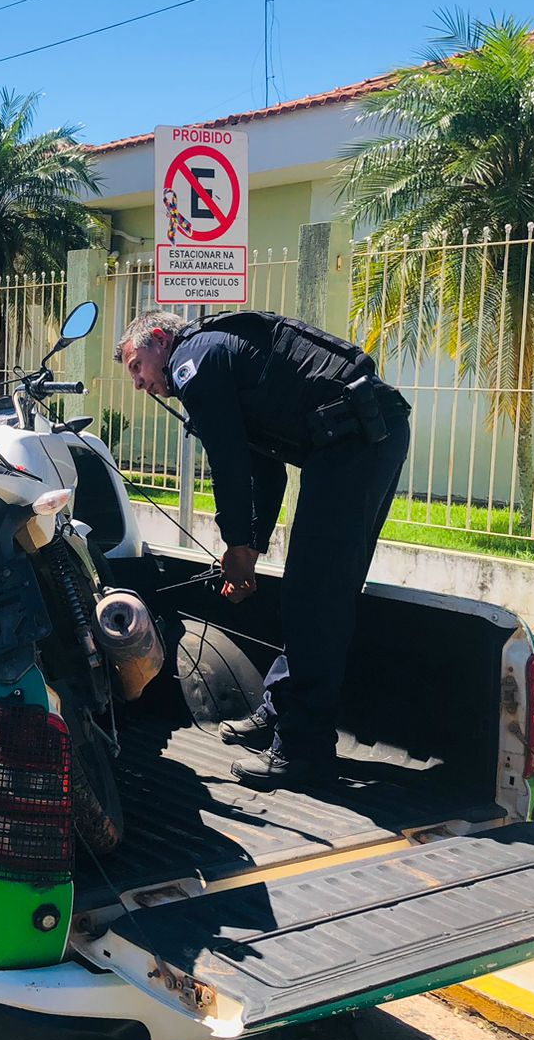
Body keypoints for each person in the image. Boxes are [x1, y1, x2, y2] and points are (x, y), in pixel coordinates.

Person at [116, 309, 410, 792]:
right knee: (309, 589)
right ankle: (281, 708)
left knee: (316, 593)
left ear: (162, 340)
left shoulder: (194, 360)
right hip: (354, 437)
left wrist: (236, 545)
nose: (138, 383)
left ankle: (304, 750)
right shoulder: (214, 355)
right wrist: (249, 547)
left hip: (355, 440)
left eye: (137, 366)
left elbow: (228, 462)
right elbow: (265, 471)